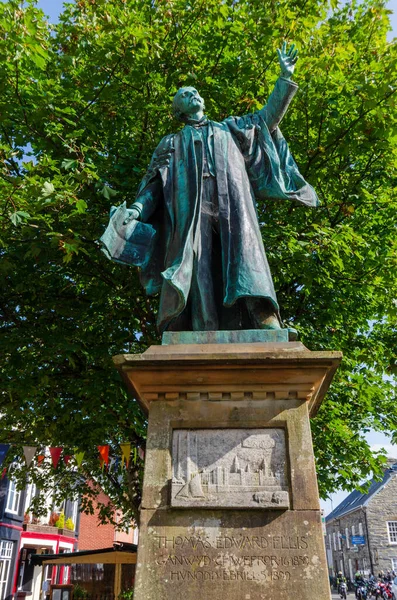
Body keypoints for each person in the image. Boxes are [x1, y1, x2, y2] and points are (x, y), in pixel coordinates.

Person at [121, 43, 318, 334]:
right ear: (179, 111)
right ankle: (198, 329)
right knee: (196, 267)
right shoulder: (171, 143)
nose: (194, 94)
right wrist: (137, 208)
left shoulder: (231, 129)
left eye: (195, 91)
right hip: (191, 212)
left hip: (233, 205)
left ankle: (266, 323)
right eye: (186, 94)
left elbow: (267, 118)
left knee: (246, 258)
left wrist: (284, 79)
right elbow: (155, 184)